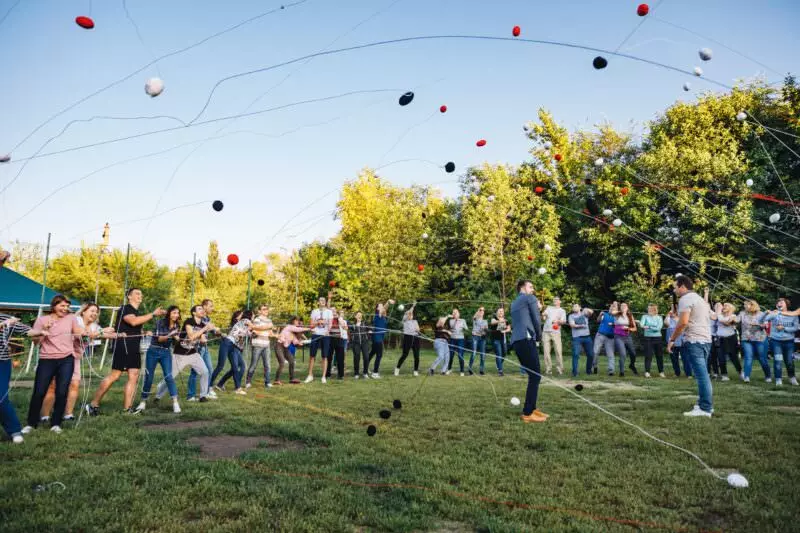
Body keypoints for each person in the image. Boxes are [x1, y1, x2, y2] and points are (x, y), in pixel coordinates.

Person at [86, 288, 165, 416]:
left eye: (141, 294)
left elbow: (133, 328)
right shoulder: (125, 308)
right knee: (115, 376)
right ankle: (93, 404)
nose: (140, 296)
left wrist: (144, 332)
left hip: (133, 347)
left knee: (134, 375)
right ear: (129, 296)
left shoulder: (135, 311)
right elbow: (133, 322)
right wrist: (153, 314)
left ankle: (127, 409)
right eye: (137, 293)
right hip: (123, 346)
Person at [41, 303, 115, 422]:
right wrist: (102, 331)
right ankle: (45, 416)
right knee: (53, 385)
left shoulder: (94, 326)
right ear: (83, 312)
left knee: (75, 384)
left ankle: (68, 414)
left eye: (96, 312)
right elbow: (83, 335)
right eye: (92, 311)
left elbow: (105, 334)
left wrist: (120, 335)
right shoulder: (76, 321)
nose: (95, 313)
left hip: (75, 358)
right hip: (60, 356)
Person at [22, 295, 85, 434]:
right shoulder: (42, 320)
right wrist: (44, 329)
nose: (65, 308)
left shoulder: (71, 318)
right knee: (39, 391)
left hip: (66, 359)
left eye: (67, 306)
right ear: (54, 306)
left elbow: (78, 333)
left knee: (62, 392)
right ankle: (31, 423)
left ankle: (56, 423)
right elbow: (36, 342)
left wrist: (88, 333)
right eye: (62, 306)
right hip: (47, 359)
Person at [667, 276, 713, 417]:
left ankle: (705, 408)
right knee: (703, 374)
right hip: (706, 340)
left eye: (675, 287)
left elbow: (682, 323)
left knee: (701, 376)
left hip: (695, 340)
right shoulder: (699, 299)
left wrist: (672, 339)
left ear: (682, 287)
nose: (674, 290)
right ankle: (703, 404)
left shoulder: (685, 299)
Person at [151, 304, 215, 406]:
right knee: (171, 376)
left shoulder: (203, 324)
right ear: (194, 313)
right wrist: (205, 328)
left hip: (193, 352)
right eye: (199, 309)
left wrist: (205, 338)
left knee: (205, 372)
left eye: (203, 309)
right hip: (180, 354)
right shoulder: (189, 321)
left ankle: (203, 396)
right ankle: (158, 396)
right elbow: (191, 336)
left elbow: (202, 339)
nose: (202, 310)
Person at [1, 314, 46, 443]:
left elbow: (27, 331)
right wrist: (4, 324)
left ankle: (14, 430)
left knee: (1, 398)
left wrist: (41, 332)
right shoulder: (6, 321)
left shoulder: (4, 317)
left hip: (2, 363)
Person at [510, 280, 547, 423]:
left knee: (534, 375)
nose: (533, 289)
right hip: (526, 339)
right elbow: (536, 319)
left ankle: (532, 408)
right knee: (535, 376)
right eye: (530, 286)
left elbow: (527, 317)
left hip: (518, 341)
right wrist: (539, 336)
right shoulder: (529, 298)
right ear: (523, 287)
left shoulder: (514, 302)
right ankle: (527, 413)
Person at [135, 306, 182, 413]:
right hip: (153, 351)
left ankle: (175, 403)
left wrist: (177, 339)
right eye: (174, 313)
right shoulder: (160, 322)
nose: (176, 315)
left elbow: (174, 342)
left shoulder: (177, 325)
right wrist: (171, 334)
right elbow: (160, 339)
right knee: (149, 377)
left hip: (166, 352)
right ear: (169, 314)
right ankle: (143, 401)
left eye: (178, 313)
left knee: (169, 377)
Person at [762, 298, 799, 387]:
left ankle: (792, 377)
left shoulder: (793, 315)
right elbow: (762, 320)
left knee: (789, 361)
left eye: (781, 302)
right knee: (778, 360)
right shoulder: (774, 314)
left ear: (786, 304)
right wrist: (766, 313)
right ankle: (778, 379)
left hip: (789, 342)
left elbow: (795, 328)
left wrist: (784, 328)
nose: (779, 303)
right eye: (778, 302)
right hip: (776, 342)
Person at [187, 299, 219, 401]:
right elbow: (196, 331)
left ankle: (206, 392)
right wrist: (208, 331)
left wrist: (216, 331)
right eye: (210, 306)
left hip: (204, 347)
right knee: (194, 372)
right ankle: (190, 395)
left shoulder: (207, 318)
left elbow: (211, 330)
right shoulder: (197, 318)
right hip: (196, 348)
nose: (212, 308)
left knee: (209, 370)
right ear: (204, 306)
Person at [216, 310, 252, 394]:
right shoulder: (237, 325)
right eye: (241, 315)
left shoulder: (243, 324)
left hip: (238, 348)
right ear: (237, 317)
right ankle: (237, 387)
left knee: (236, 368)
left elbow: (248, 333)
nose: (242, 316)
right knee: (238, 367)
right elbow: (237, 336)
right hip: (234, 348)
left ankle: (220, 384)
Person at [738, 300, 770, 383]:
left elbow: (765, 325)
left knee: (762, 358)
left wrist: (759, 325)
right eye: (744, 304)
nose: (744, 306)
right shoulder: (742, 313)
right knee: (748, 357)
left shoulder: (761, 314)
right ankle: (747, 377)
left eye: (746, 304)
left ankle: (768, 376)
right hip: (746, 338)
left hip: (760, 339)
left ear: (752, 305)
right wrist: (732, 318)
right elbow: (737, 320)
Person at [304, 295, 333, 383]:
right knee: (312, 356)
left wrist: (328, 330)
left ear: (325, 302)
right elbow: (311, 325)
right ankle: (310, 375)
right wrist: (317, 322)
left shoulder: (329, 312)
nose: (323, 301)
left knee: (325, 356)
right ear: (318, 302)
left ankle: (323, 377)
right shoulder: (314, 311)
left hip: (325, 335)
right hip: (315, 334)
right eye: (321, 300)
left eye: (324, 300)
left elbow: (330, 324)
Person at [246, 304, 274, 389]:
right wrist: (267, 327)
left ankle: (267, 382)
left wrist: (277, 335)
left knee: (267, 365)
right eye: (264, 309)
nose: (266, 310)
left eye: (267, 309)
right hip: (257, 344)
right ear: (259, 311)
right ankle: (248, 382)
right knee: (253, 364)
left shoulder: (269, 320)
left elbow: (270, 333)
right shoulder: (257, 319)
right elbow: (256, 330)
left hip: (266, 344)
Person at [275, 317, 308, 385]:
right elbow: (299, 329)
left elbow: (295, 341)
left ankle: (292, 379)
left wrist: (300, 343)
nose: (297, 322)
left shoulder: (293, 334)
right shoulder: (289, 327)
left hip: (285, 348)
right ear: (292, 321)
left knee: (292, 361)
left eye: (298, 321)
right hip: (279, 346)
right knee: (282, 362)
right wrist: (310, 328)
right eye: (296, 320)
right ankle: (276, 380)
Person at [368, 299, 394, 379]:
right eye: (380, 306)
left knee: (372, 353)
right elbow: (384, 309)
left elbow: (384, 310)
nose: (382, 307)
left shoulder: (382, 316)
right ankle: (375, 373)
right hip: (377, 338)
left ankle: (365, 368)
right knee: (379, 355)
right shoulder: (377, 315)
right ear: (377, 309)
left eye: (382, 306)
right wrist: (388, 302)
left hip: (378, 338)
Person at [716, 303, 742, 381]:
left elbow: (726, 323)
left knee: (733, 356)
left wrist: (718, 315)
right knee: (721, 357)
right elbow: (712, 316)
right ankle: (724, 375)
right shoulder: (719, 315)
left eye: (726, 306)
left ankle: (740, 372)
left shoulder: (733, 316)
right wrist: (717, 312)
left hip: (731, 338)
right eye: (723, 306)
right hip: (720, 339)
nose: (723, 307)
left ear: (731, 308)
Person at [541, 297, 567, 376]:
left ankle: (560, 369)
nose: (554, 301)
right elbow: (544, 316)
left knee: (558, 351)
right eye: (554, 300)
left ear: (560, 301)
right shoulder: (549, 308)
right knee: (546, 352)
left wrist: (557, 321)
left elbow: (563, 321)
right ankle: (548, 369)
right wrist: (543, 315)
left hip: (556, 332)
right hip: (546, 332)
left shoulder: (562, 311)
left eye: (556, 299)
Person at [568, 305, 593, 377]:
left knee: (591, 355)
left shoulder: (584, 314)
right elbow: (572, 325)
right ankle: (575, 372)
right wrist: (581, 325)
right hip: (577, 338)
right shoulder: (571, 316)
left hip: (587, 337)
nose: (574, 307)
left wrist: (586, 309)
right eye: (573, 307)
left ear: (579, 308)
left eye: (576, 306)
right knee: (575, 354)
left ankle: (588, 371)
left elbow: (591, 312)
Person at [395, 304, 421, 376]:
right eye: (409, 314)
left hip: (416, 338)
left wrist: (418, 330)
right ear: (406, 315)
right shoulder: (405, 320)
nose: (410, 315)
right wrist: (413, 306)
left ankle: (415, 370)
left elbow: (418, 330)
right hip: (408, 338)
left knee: (417, 356)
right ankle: (397, 368)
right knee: (405, 355)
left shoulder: (415, 321)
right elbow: (409, 312)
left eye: (411, 314)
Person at [665, 306, 691, 377]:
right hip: (671, 342)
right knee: (674, 359)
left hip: (682, 341)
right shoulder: (669, 319)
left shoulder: (682, 318)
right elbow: (666, 323)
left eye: (673, 310)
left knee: (685, 358)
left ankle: (688, 374)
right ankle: (677, 373)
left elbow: (686, 327)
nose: (672, 311)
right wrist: (668, 315)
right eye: (671, 310)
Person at [613, 302, 638, 376]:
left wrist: (628, 328)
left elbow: (635, 328)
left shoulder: (630, 316)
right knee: (623, 354)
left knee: (633, 353)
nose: (623, 307)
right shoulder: (617, 314)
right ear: (620, 308)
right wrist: (621, 311)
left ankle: (632, 365)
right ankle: (622, 372)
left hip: (627, 336)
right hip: (618, 337)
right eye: (622, 306)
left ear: (627, 308)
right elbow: (612, 312)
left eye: (625, 306)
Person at [640, 304, 665, 378]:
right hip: (647, 338)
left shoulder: (659, 317)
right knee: (648, 355)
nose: (648, 310)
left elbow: (658, 328)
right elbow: (642, 325)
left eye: (650, 309)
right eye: (648, 309)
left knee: (659, 355)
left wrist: (648, 327)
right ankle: (647, 372)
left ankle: (661, 372)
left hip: (658, 338)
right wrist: (653, 327)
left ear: (654, 310)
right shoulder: (644, 316)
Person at [594, 303, 617, 376]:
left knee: (610, 354)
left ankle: (611, 371)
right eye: (611, 308)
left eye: (613, 308)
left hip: (610, 337)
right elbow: (598, 321)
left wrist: (613, 325)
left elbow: (619, 326)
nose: (611, 309)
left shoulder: (617, 317)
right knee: (595, 352)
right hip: (600, 335)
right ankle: (594, 366)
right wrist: (600, 315)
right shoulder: (604, 314)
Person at [446, 308, 468, 376]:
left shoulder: (463, 320)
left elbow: (466, 328)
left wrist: (464, 327)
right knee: (451, 355)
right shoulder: (451, 321)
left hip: (460, 340)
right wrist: (456, 320)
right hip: (452, 339)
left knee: (460, 355)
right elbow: (452, 327)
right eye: (453, 312)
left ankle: (462, 371)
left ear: (459, 313)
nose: (455, 313)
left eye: (456, 312)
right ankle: (449, 369)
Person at [490, 308, 511, 376]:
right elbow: (492, 322)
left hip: (503, 339)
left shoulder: (505, 320)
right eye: (499, 311)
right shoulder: (494, 318)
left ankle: (498, 363)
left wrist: (505, 331)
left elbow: (509, 328)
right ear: (497, 312)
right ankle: (500, 371)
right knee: (499, 354)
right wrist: (500, 321)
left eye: (502, 311)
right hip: (496, 339)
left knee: (504, 353)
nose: (501, 312)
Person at [468, 307, 489, 376]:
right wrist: (478, 311)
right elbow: (474, 317)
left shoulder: (485, 321)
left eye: (483, 310)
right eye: (480, 310)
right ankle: (470, 369)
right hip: (475, 337)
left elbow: (486, 331)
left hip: (482, 338)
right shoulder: (475, 319)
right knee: (474, 353)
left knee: (482, 354)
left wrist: (484, 330)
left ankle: (481, 370)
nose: (482, 311)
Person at [329, 308, 348, 380]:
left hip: (340, 339)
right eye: (332, 311)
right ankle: (327, 374)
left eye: (334, 311)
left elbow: (346, 328)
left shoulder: (340, 319)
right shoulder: (329, 319)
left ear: (336, 312)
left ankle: (341, 375)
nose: (333, 312)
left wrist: (340, 320)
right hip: (330, 339)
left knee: (340, 358)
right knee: (329, 357)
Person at [350, 311, 371, 379]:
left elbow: (370, 329)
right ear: (355, 316)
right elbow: (350, 332)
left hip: (365, 342)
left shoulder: (365, 323)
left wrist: (370, 331)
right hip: (356, 343)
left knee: (366, 357)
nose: (360, 316)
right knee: (356, 357)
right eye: (358, 315)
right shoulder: (353, 325)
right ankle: (356, 373)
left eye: (361, 315)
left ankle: (365, 373)